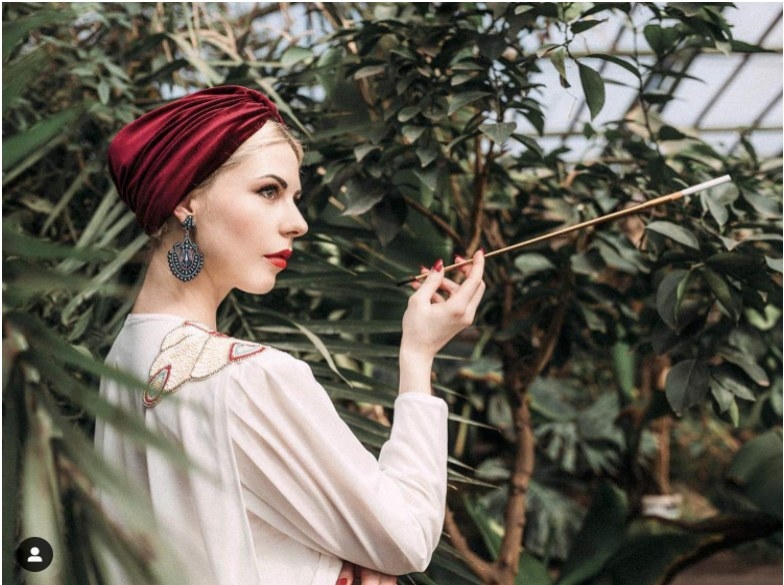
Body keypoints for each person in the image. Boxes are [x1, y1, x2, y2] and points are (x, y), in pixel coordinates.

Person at [95, 85, 485, 585]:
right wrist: (419, 356)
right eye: (269, 191)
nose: (297, 223)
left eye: (294, 198)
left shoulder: (126, 356)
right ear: (187, 200)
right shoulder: (248, 378)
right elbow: (406, 538)